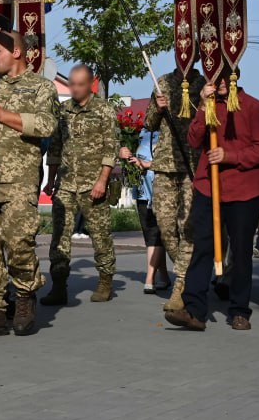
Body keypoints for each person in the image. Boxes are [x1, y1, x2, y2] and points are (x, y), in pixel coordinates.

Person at [0, 29, 59, 338]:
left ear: (16, 52)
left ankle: (24, 297)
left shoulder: (41, 87)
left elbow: (46, 125)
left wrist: (2, 114)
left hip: (19, 180)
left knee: (19, 244)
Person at [166, 73, 259, 331]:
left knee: (241, 252)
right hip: (208, 187)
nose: (220, 82)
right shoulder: (208, 104)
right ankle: (194, 311)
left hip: (244, 192)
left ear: (235, 75)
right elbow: (193, 140)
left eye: (225, 77)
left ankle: (239, 311)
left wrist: (229, 155)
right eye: (216, 77)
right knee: (201, 248)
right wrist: (202, 106)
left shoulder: (253, 106)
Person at [43, 65, 119, 305]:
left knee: (100, 235)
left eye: (79, 84)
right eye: (72, 84)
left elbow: (111, 149)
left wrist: (102, 181)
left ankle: (105, 280)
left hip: (92, 185)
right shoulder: (63, 111)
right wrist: (50, 179)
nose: (74, 89)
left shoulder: (104, 111)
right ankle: (59, 285)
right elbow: (55, 147)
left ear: (90, 84)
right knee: (59, 237)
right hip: (65, 184)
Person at [145, 67, 205, 315]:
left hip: (193, 164)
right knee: (166, 225)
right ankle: (185, 275)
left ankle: (180, 284)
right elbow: (149, 123)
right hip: (166, 164)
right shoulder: (163, 83)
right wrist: (158, 109)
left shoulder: (204, 84)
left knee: (187, 226)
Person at [120, 137, 170, 294]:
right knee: (151, 235)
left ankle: (150, 278)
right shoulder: (140, 133)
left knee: (156, 234)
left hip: (163, 190)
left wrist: (148, 165)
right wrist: (123, 152)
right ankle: (164, 277)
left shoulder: (166, 130)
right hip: (142, 191)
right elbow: (125, 151)